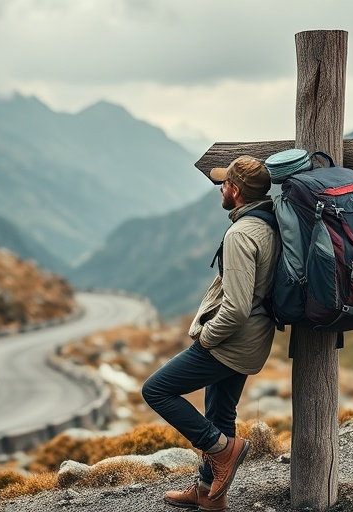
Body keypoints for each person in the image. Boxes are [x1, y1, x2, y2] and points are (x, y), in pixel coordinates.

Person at [142, 155, 280, 511]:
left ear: (235, 191)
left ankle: (224, 450)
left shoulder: (241, 234)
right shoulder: (269, 223)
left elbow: (234, 308)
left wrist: (206, 339)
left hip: (229, 343)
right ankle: (209, 496)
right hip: (254, 338)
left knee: (156, 390)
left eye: (225, 184)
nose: (220, 188)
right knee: (221, 413)